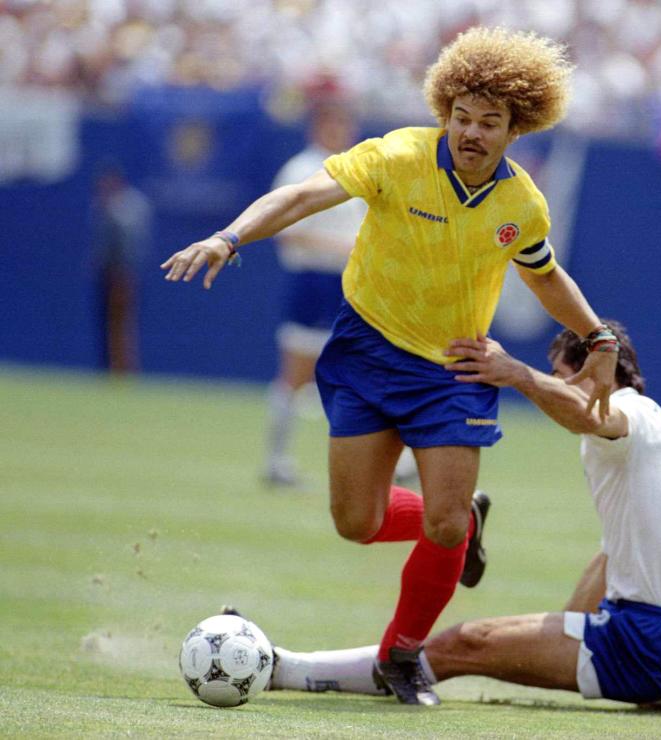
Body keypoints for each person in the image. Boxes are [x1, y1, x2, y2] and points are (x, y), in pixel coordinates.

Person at [161, 26, 619, 705]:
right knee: (357, 521)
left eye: (488, 122)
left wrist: (598, 337)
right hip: (366, 354)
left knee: (441, 523)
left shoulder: (520, 203)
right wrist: (231, 236)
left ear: (513, 130)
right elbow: (304, 196)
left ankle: (402, 655)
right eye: (461, 117)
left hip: (453, 371)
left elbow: (546, 276)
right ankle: (466, 521)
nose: (471, 131)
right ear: (445, 114)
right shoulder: (397, 155)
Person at [258, 321, 661, 727]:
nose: (553, 390)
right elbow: (613, 555)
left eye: (561, 375)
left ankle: (284, 666)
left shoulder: (623, 414)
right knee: (644, 678)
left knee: (455, 646)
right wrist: (562, 634)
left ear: (597, 375)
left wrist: (516, 374)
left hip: (651, 639)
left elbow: (588, 413)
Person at [261, 95, 417, 488]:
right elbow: (287, 233)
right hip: (315, 282)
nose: (342, 132)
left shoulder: (361, 169)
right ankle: (276, 461)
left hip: (357, 284)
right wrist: (345, 248)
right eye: (334, 124)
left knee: (376, 369)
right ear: (318, 126)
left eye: (346, 124)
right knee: (296, 374)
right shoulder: (300, 169)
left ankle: (391, 463)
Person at [91, 161, 152, 374]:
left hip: (122, 273)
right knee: (110, 323)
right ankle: (113, 367)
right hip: (109, 273)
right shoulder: (106, 203)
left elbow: (129, 242)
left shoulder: (127, 205)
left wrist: (123, 270)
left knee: (122, 323)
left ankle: (123, 369)